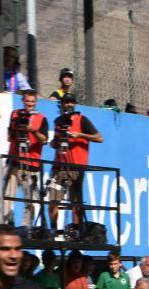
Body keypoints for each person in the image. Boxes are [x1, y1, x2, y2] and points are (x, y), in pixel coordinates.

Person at [45, 94, 102, 235]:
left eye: (71, 102)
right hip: (59, 166)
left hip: (76, 166)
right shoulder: (58, 121)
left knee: (75, 201)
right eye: (66, 102)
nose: (68, 104)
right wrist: (55, 142)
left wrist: (79, 135)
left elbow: (99, 138)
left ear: (74, 103)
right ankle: (54, 230)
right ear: (62, 104)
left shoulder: (81, 119)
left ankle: (76, 232)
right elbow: (54, 143)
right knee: (53, 198)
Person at [2, 90, 48, 228]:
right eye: (27, 101)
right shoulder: (15, 114)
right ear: (23, 101)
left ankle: (26, 228)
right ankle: (7, 225)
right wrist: (17, 128)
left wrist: (32, 130)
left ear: (36, 102)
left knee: (31, 200)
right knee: (7, 196)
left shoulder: (41, 118)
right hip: (14, 161)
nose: (30, 104)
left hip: (31, 163)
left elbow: (44, 140)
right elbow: (10, 135)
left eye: (32, 101)